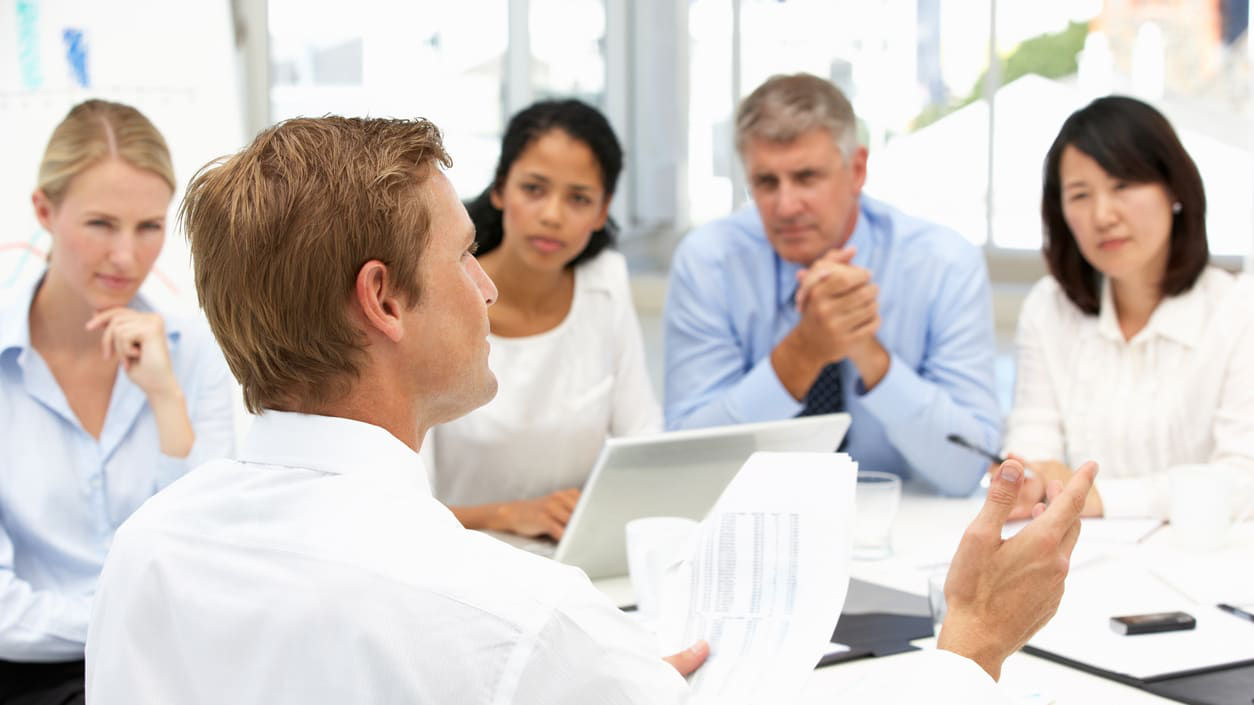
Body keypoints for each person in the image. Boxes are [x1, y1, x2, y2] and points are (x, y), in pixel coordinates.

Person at [85, 114, 1097, 704]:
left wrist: (599, 678)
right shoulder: (510, 613)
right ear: (384, 300)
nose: (486, 286)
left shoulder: (147, 551)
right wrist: (973, 642)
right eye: (462, 255)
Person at [663, 73, 1000, 497]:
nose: (786, 206)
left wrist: (864, 349)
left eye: (806, 177)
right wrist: (804, 351)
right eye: (766, 182)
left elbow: (968, 469)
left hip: (901, 521)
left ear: (857, 170)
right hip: (756, 514)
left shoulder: (944, 264)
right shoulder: (710, 262)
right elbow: (689, 464)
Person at [0, 99, 234, 704]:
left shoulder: (193, 351)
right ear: (44, 211)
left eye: (149, 227)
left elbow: (206, 547)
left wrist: (165, 398)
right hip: (34, 675)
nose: (127, 257)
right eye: (101, 224)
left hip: (176, 667)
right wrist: (131, 620)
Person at [1003, 95, 1254, 519]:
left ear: (1174, 189)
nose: (1103, 215)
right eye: (1080, 195)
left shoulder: (1239, 309)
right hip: (1080, 554)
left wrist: (1098, 498)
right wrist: (1025, 480)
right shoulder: (1049, 307)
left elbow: (1243, 481)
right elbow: (1033, 446)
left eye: (1122, 185)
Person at [428, 99, 660, 541]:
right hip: (460, 558)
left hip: (573, 560)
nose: (552, 215)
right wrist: (505, 515)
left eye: (579, 198)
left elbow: (643, 440)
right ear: (500, 189)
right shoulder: (441, 291)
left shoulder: (606, 281)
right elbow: (398, 507)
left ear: (602, 210)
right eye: (534, 189)